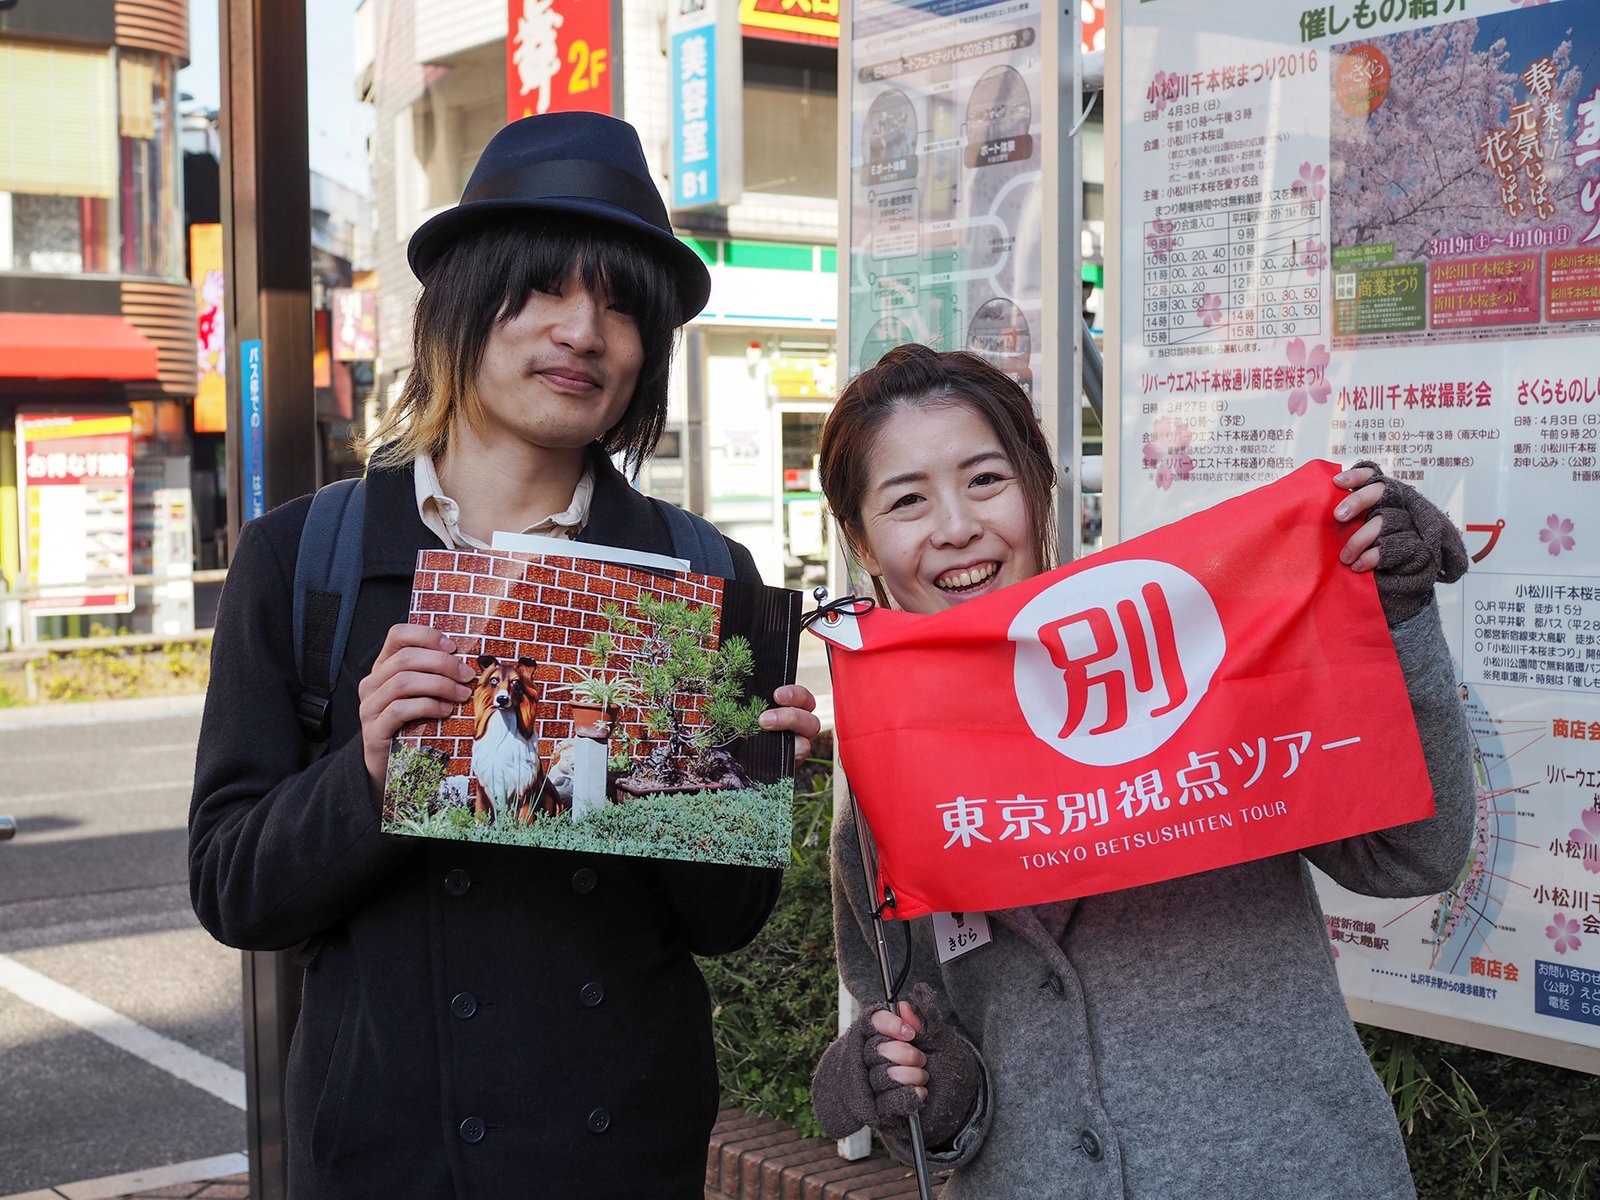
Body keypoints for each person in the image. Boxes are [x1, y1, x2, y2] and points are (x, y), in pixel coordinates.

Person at [188, 112, 820, 1200]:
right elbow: (233, 889)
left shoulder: (697, 572)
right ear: (464, 305)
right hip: (387, 1164)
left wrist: (728, 781)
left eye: (622, 306)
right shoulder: (309, 558)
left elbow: (729, 926)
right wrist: (371, 771)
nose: (582, 332)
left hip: (620, 1157)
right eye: (541, 289)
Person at [808, 343, 1473, 1199]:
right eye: (907, 500)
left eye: (985, 480)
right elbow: (910, 1030)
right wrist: (934, 1099)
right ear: (862, 541)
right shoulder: (880, 782)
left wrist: (1396, 621)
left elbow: (1415, 856)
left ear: (1038, 492)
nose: (956, 527)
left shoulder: (1190, 651)